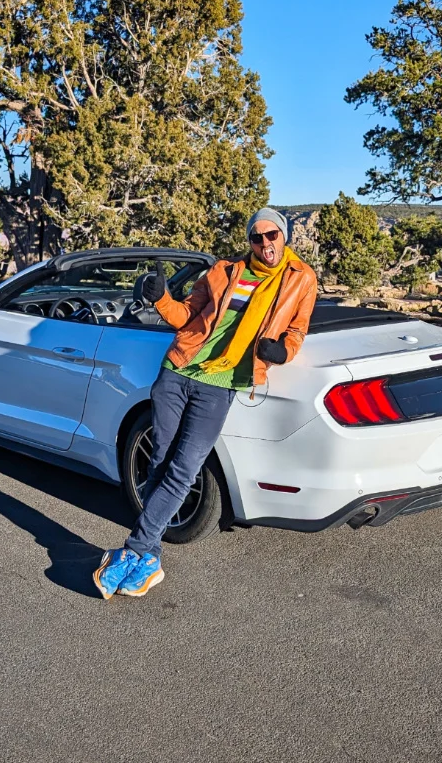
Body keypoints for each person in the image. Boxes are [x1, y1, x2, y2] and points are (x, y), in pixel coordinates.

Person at [93, 207, 318, 599]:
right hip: (178, 370)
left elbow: (297, 331)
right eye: (257, 237)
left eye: (272, 236)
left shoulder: (301, 279)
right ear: (249, 240)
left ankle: (134, 550)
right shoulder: (223, 270)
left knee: (184, 468)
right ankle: (149, 559)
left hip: (221, 382)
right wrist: (161, 298)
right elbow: (186, 317)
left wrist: (281, 352)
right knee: (160, 461)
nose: (266, 244)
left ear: (284, 236)